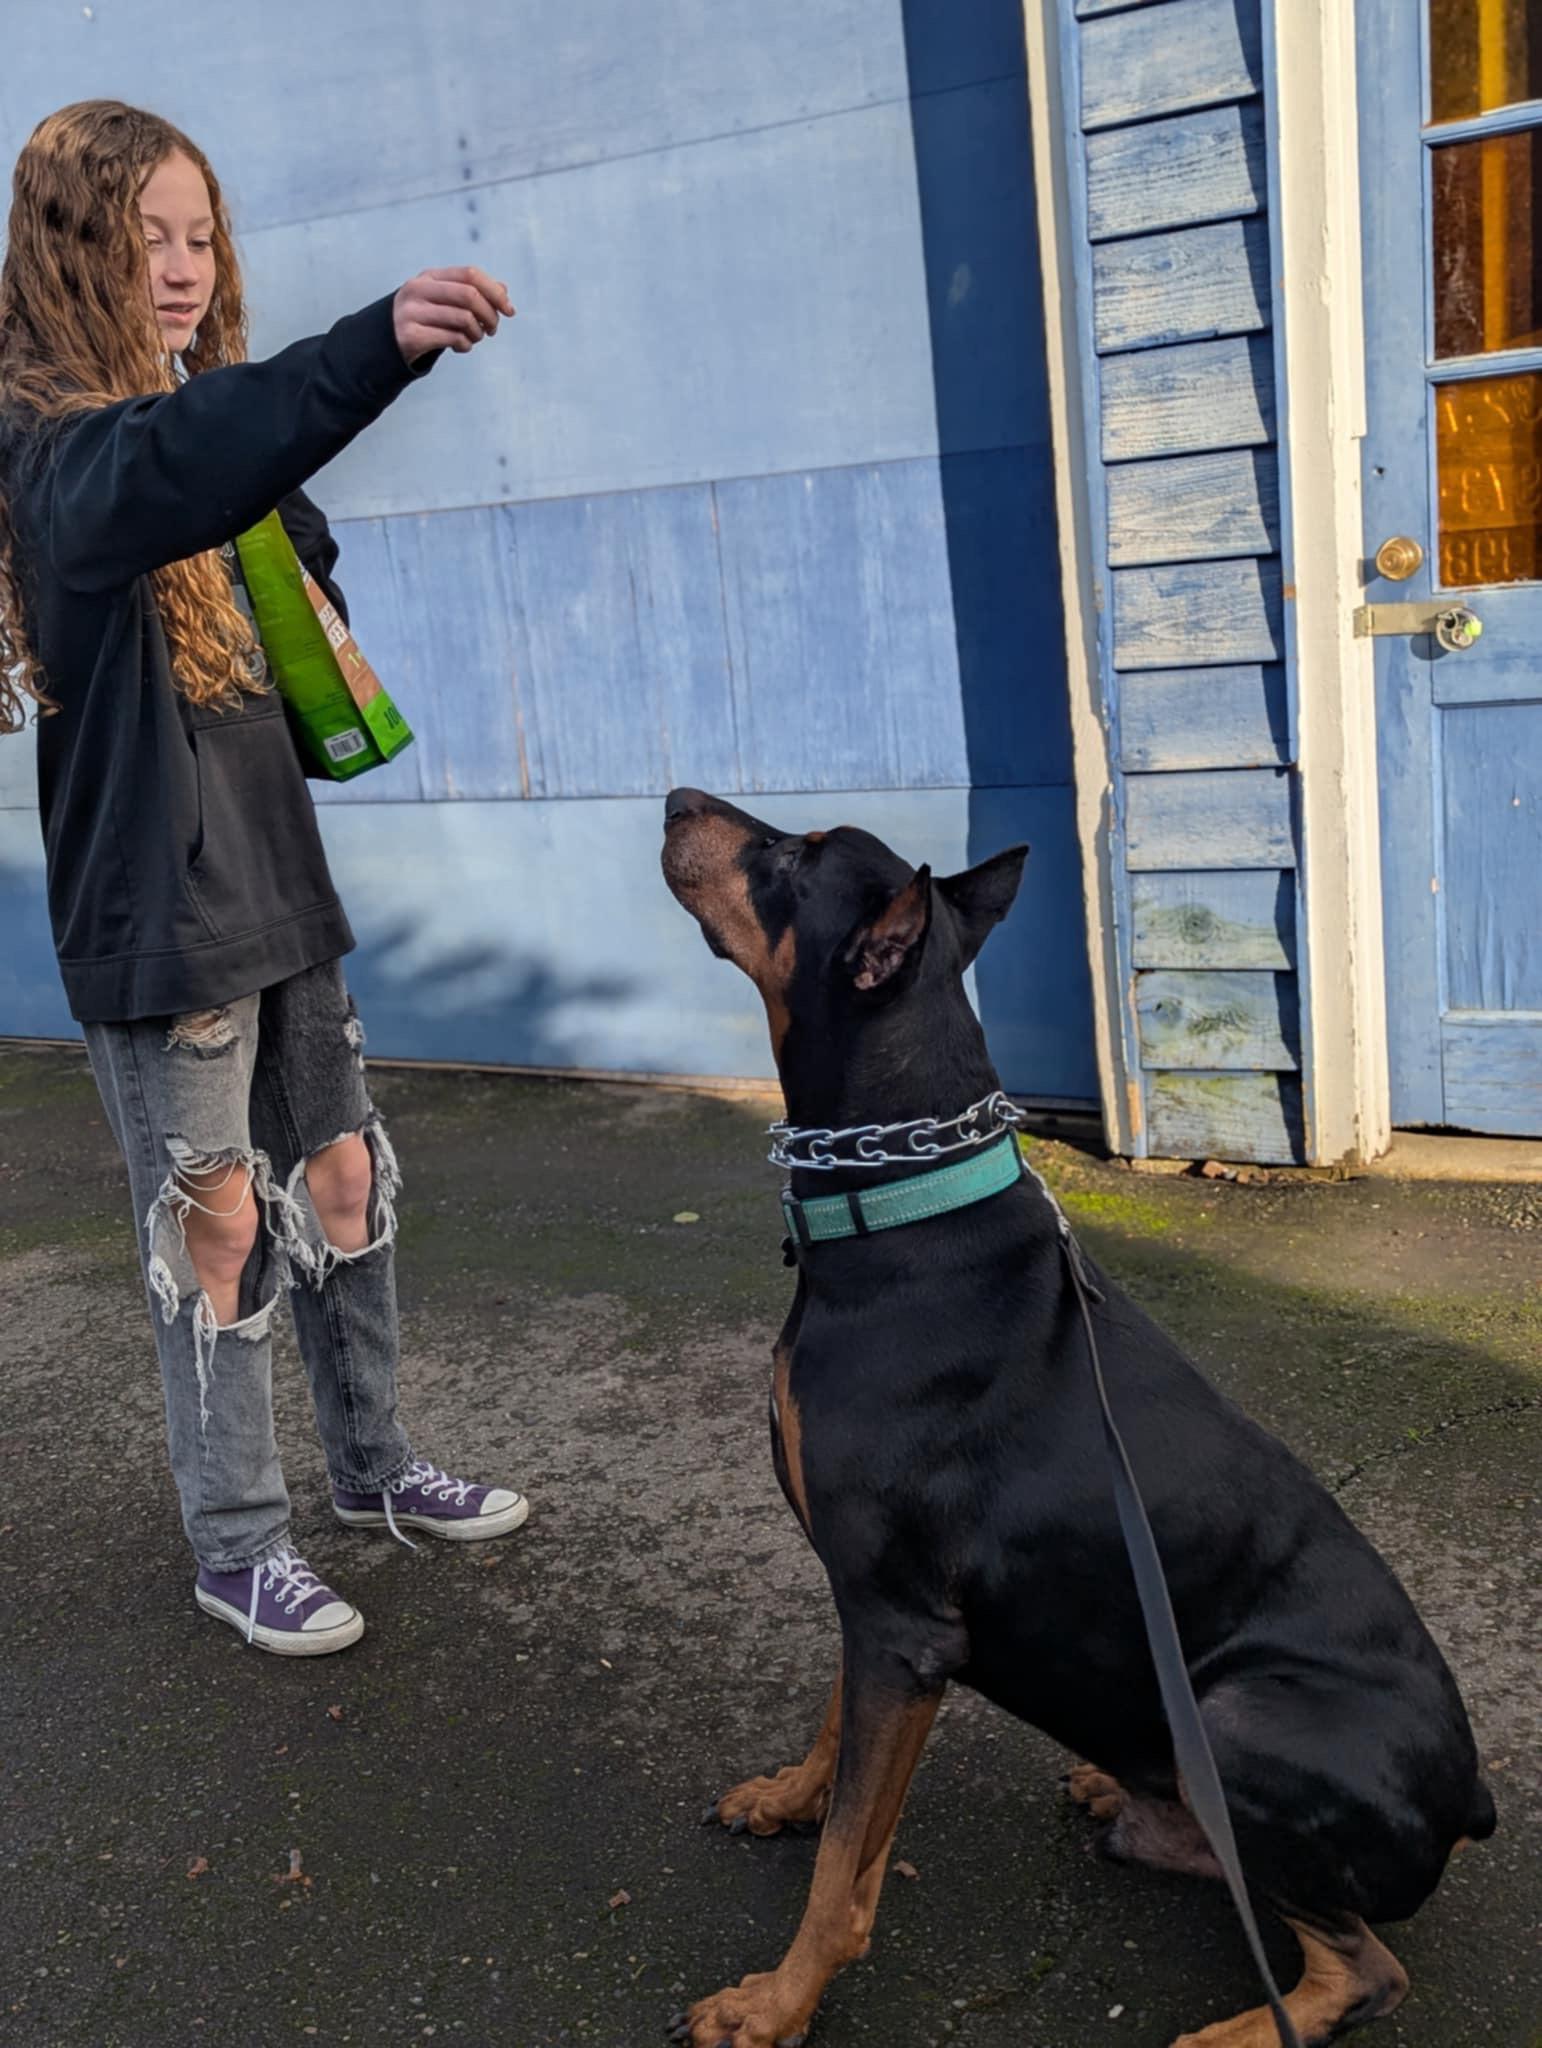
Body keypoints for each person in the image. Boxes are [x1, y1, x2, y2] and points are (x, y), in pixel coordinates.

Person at [0, 100, 528, 1656]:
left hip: (275, 875)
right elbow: (176, 465)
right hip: (157, 907)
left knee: (344, 1177)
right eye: (138, 236)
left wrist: (286, 507)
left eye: (197, 231)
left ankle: (371, 1470)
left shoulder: (182, 414)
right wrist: (363, 352)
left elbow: (254, 499)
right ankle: (240, 1541)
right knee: (215, 1223)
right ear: (66, 250)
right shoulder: (56, 452)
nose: (179, 265)